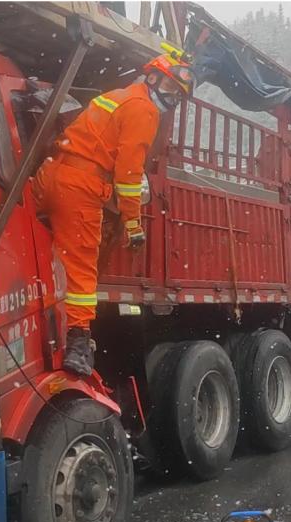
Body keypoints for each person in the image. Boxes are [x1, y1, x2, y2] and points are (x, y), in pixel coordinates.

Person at [31, 50, 195, 376]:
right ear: (152, 78)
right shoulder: (145, 111)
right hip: (80, 188)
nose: (172, 97)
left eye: (178, 93)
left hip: (50, 173)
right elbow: (129, 175)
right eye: (170, 87)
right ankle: (78, 341)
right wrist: (133, 223)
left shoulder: (117, 97)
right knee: (80, 269)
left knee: (30, 248)